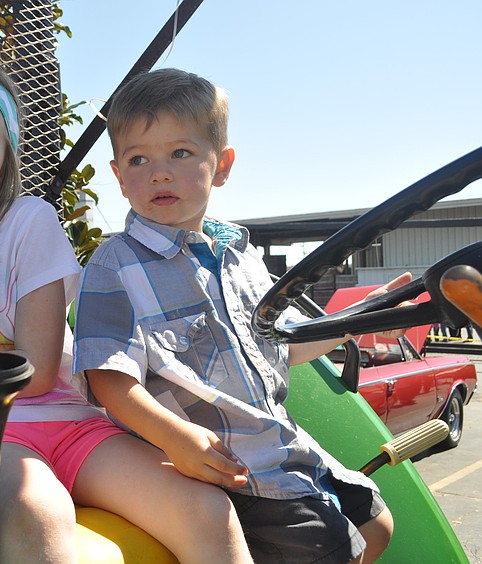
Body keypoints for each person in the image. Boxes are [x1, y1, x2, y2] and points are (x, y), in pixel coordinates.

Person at [0, 65, 252, 563]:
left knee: (208, 511)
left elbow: (34, 371)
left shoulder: (27, 224)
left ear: (2, 164)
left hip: (73, 422)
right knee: (39, 512)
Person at [73, 68, 403, 564]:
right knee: (333, 549)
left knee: (377, 523)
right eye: (139, 159)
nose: (158, 172)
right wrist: (175, 438)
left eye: (179, 153)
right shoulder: (114, 264)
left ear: (222, 165)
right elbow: (107, 377)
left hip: (283, 445)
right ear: (119, 176)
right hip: (223, 464)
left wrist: (362, 316)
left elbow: (282, 345)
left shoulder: (241, 256)